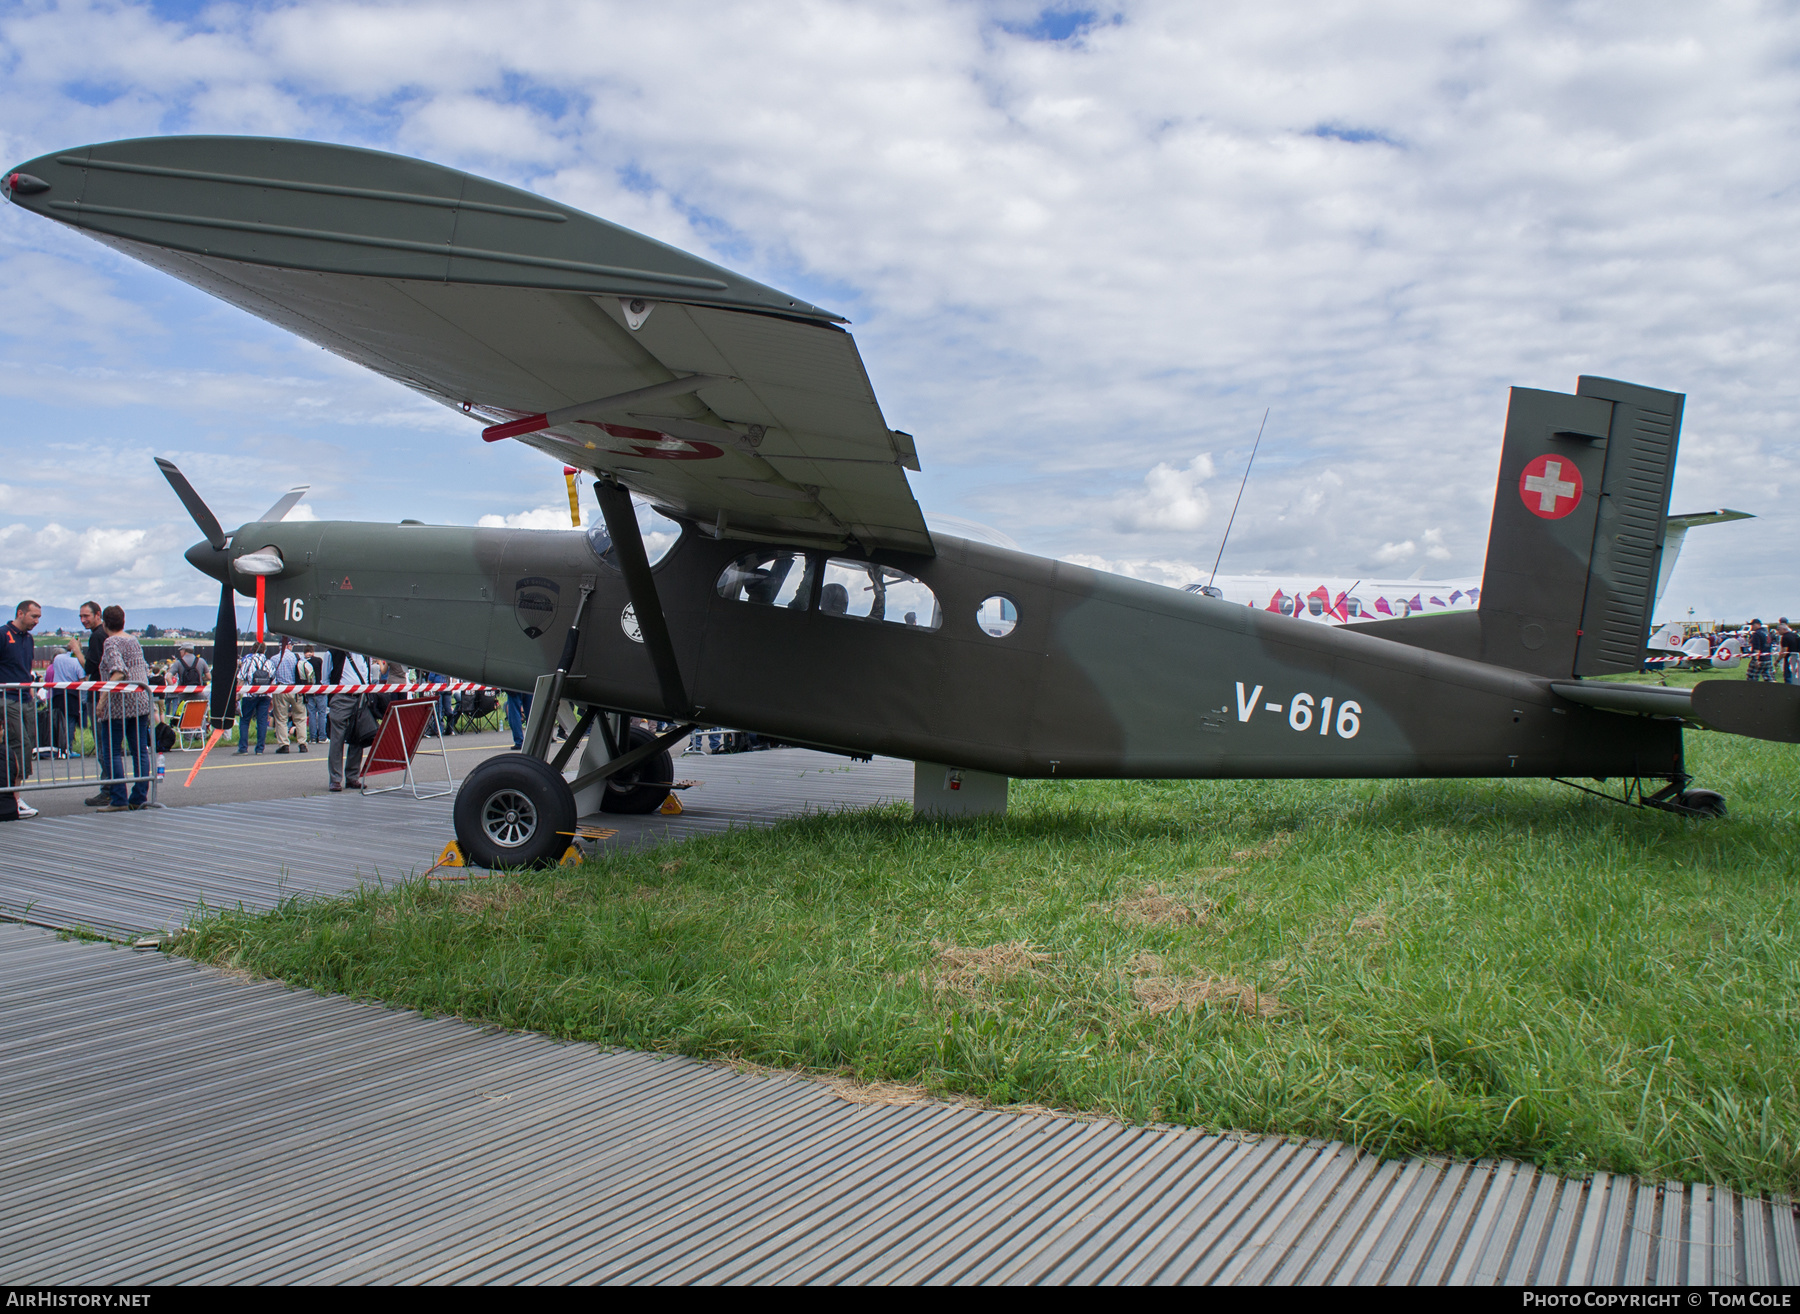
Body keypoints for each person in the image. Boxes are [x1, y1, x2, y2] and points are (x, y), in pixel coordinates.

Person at [93, 605, 152, 812]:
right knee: (140, 751)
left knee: (112, 752)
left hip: (119, 704)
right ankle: (139, 796)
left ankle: (118, 799)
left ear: (104, 623)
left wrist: (102, 700)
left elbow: (118, 671)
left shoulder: (111, 642)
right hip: (141, 701)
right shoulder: (133, 640)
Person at [1, 600, 42, 821]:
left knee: (28, 745)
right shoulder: (3, 634)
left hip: (25, 698)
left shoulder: (29, 638)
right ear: (20, 613)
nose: (36, 621)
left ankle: (15, 796)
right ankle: (13, 799)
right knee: (18, 745)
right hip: (7, 698)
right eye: (33, 617)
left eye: (38, 618)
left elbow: (26, 667)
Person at [327, 648, 375, 791]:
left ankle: (352, 777)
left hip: (360, 697)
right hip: (341, 697)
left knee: (358, 737)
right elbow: (325, 678)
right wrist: (331, 699)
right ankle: (335, 779)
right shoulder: (333, 652)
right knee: (337, 739)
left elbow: (367, 675)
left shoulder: (365, 654)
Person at [269, 637, 309, 754]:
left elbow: (271, 675)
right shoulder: (297, 657)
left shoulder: (274, 659)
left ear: (280, 646)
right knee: (300, 717)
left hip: (281, 689)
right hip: (296, 690)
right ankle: (302, 743)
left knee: (281, 718)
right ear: (290, 646)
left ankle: (284, 744)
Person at [47, 640, 84, 758]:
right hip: (72, 694)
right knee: (70, 722)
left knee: (58, 721)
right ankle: (68, 749)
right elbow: (82, 678)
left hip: (57, 693)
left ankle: (57, 748)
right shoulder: (77, 661)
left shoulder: (58, 658)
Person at [235, 647, 274, 753]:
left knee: (244, 721)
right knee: (262, 721)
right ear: (264, 650)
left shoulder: (248, 661)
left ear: (252, 650)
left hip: (250, 694)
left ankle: (243, 748)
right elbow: (273, 678)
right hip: (265, 694)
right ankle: (260, 748)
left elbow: (241, 677)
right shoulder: (269, 662)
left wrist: (237, 695)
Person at [303, 647, 329, 742]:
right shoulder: (318, 661)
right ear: (313, 652)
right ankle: (322, 737)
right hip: (320, 690)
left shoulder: (303, 662)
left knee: (312, 714)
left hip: (309, 691)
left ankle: (312, 738)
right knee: (322, 714)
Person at [1778, 618, 1799, 685]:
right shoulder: (1795, 635)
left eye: (1779, 630)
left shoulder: (1785, 637)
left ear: (1784, 629)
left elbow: (1784, 650)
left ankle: (1789, 691)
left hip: (1788, 659)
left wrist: (1778, 660)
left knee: (1788, 677)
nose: (1778, 631)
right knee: (1796, 675)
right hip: (1797, 657)